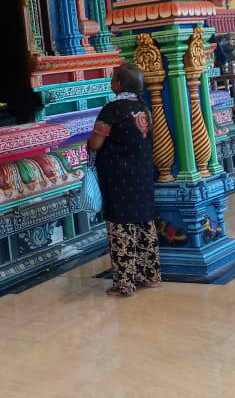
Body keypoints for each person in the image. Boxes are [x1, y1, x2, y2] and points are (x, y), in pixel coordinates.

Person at [87, 64, 160, 297]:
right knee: (144, 222)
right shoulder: (144, 108)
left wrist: (88, 145)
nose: (111, 82)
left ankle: (125, 284)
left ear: (119, 84)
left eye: (113, 78)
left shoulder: (112, 110)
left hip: (118, 178)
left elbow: (96, 143)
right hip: (143, 175)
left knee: (121, 227)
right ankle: (150, 275)